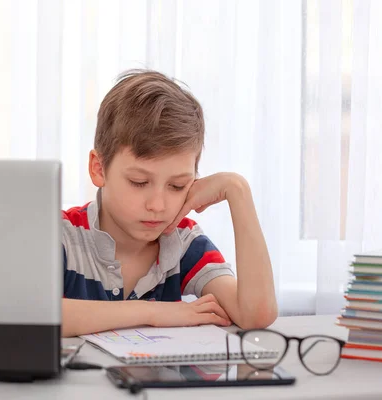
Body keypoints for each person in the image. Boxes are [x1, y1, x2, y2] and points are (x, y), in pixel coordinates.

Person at [61, 70, 277, 337]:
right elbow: (31, 316)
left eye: (177, 186)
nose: (158, 205)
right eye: (139, 182)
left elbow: (256, 315)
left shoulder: (184, 243)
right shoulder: (61, 236)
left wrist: (238, 191)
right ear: (99, 169)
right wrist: (152, 313)